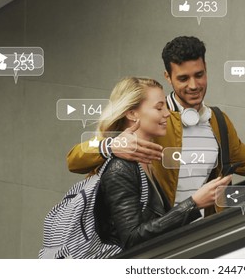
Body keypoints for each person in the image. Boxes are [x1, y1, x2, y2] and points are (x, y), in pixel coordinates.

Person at [68, 36, 245, 215]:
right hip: (152, 239)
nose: (194, 85)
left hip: (194, 235)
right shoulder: (154, 121)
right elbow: (75, 159)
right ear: (168, 77)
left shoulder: (217, 121)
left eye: (199, 75)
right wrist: (110, 145)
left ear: (206, 69)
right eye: (183, 78)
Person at [93, 76, 232, 251]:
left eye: (166, 106)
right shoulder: (121, 168)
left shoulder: (145, 161)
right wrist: (194, 203)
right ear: (131, 113)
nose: (167, 113)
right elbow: (131, 239)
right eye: (159, 107)